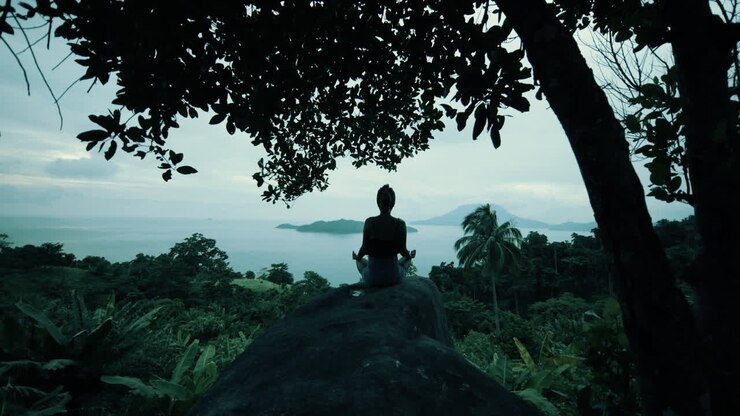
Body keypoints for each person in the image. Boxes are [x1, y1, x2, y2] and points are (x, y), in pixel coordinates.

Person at [352, 184, 416, 287]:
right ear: (393, 203)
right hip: (393, 277)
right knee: (406, 260)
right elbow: (403, 251)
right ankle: (411, 256)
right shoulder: (400, 224)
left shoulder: (370, 222)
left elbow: (364, 249)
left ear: (378, 203)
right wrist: (409, 256)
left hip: (373, 278)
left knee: (360, 261)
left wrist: (358, 257)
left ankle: (357, 259)